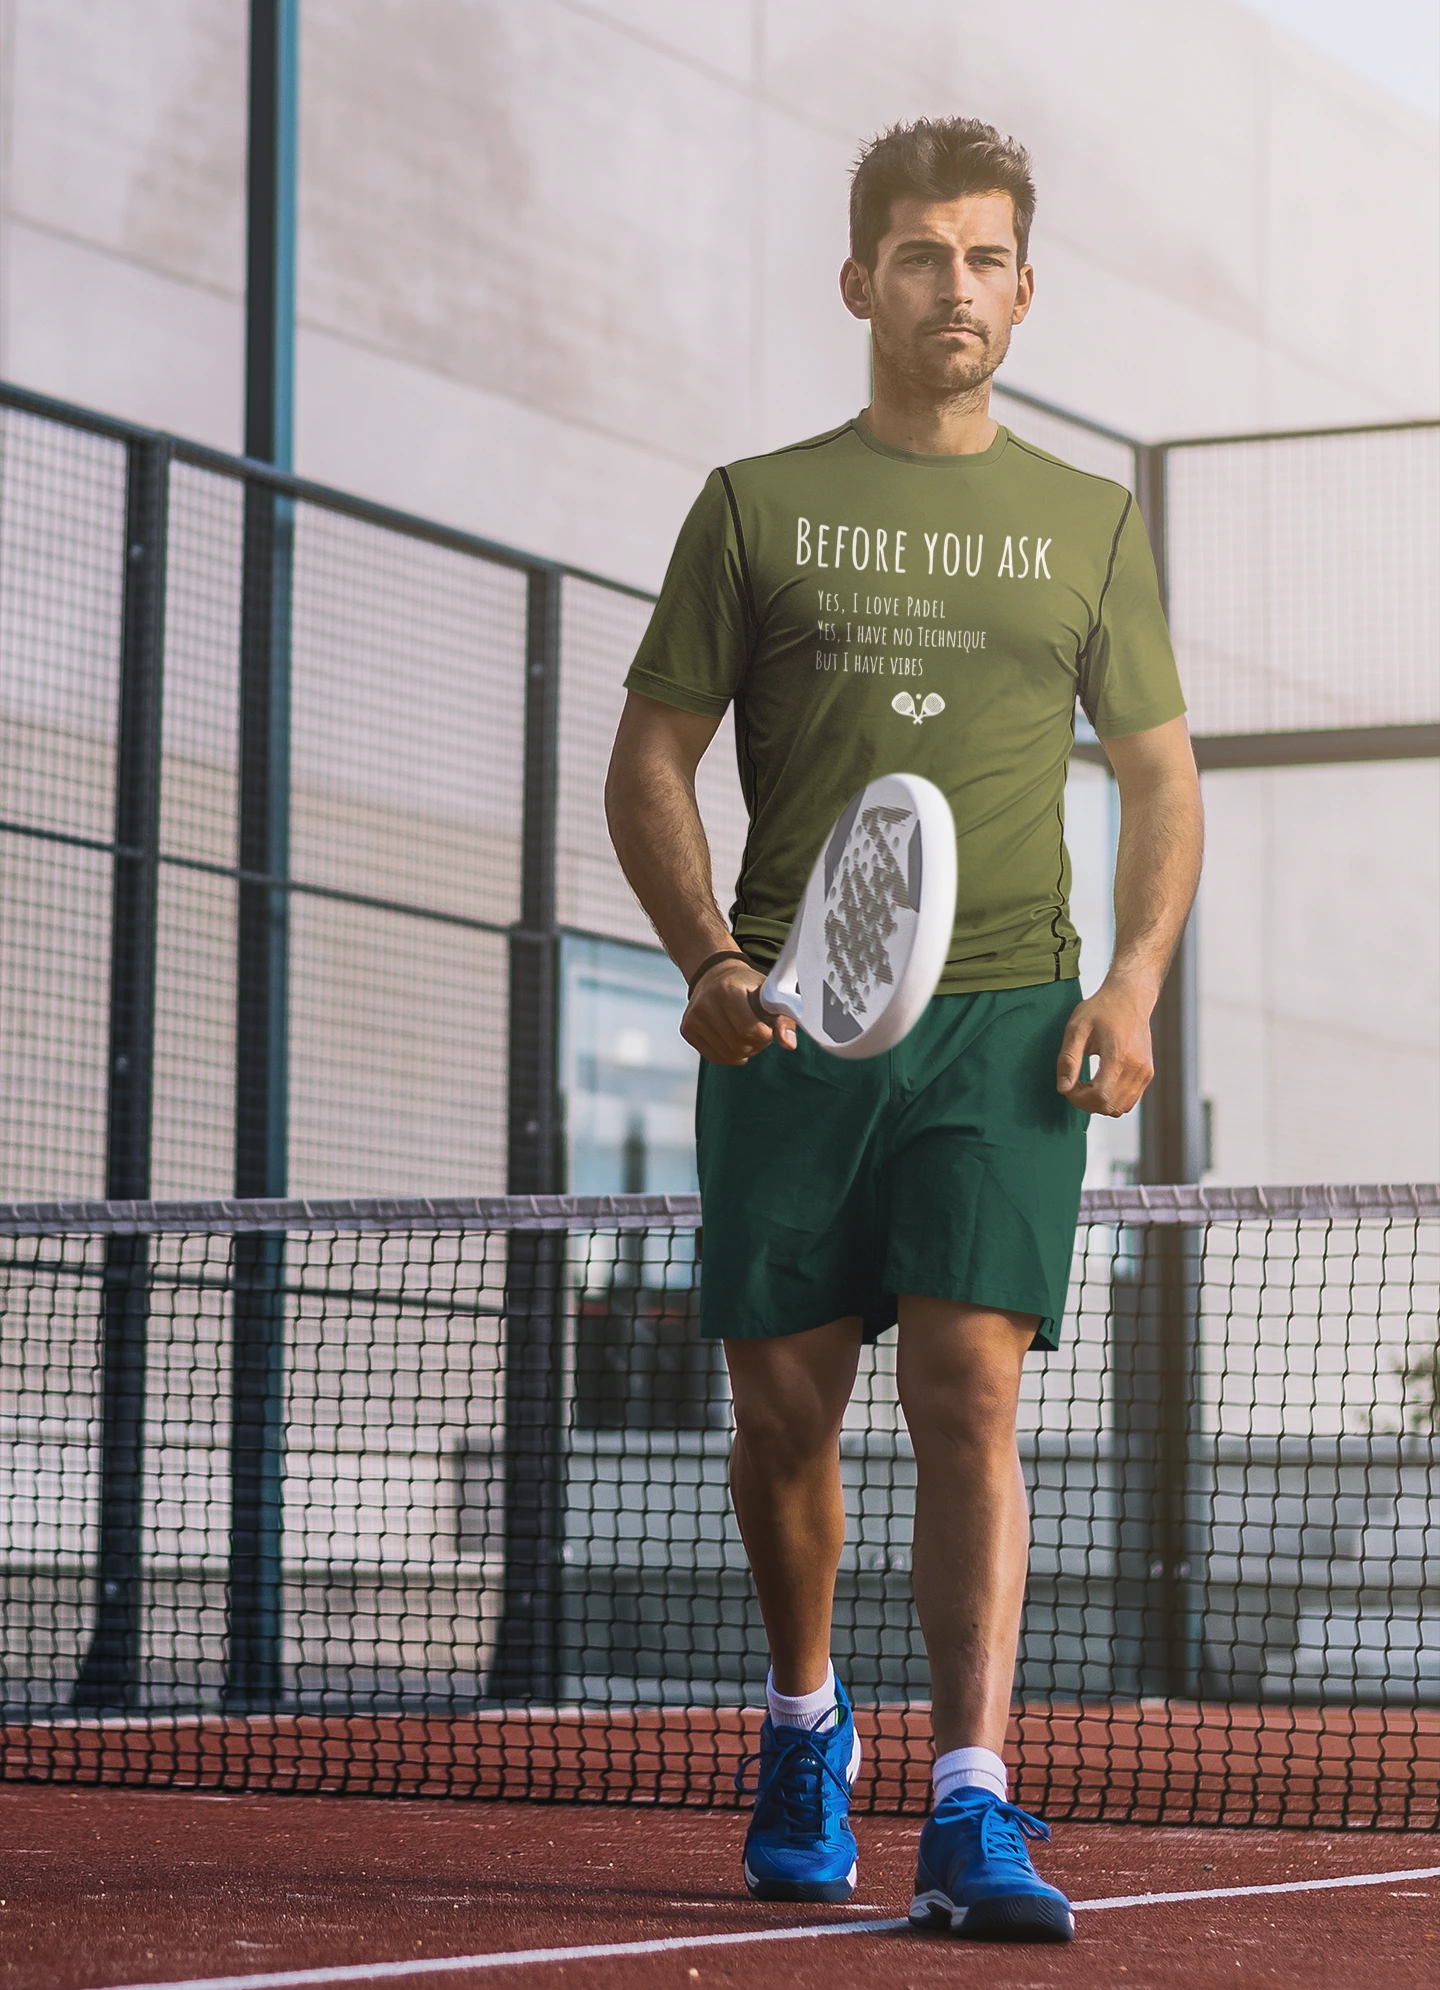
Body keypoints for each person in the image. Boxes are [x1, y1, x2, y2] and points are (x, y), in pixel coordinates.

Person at [604, 116, 1202, 1945]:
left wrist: (1134, 981)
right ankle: (803, 1721)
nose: (956, 285)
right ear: (858, 277)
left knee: (973, 1393)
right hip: (793, 1025)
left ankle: (969, 1797)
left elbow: (1164, 775)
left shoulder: (1092, 522)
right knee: (783, 1413)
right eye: (921, 254)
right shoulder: (751, 504)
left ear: (1026, 290)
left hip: (1010, 1023)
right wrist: (708, 959)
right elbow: (648, 759)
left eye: (987, 257)